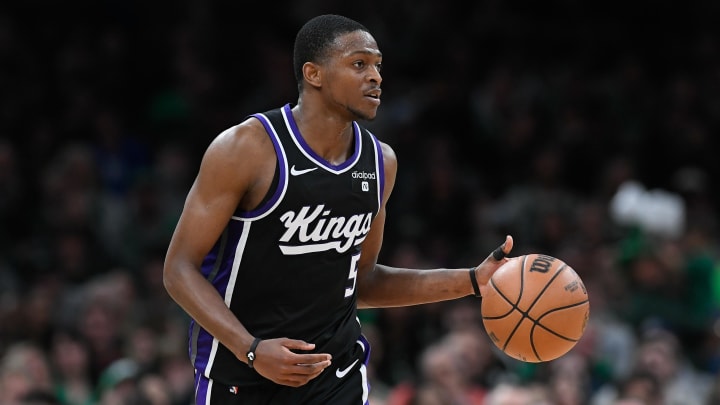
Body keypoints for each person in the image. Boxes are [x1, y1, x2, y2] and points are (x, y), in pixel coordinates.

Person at [163, 13, 514, 404]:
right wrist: (251, 348)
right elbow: (179, 269)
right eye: (359, 64)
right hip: (241, 375)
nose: (377, 77)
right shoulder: (247, 148)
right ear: (314, 74)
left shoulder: (381, 162)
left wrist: (469, 281)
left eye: (379, 65)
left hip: (337, 377)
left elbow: (362, 282)